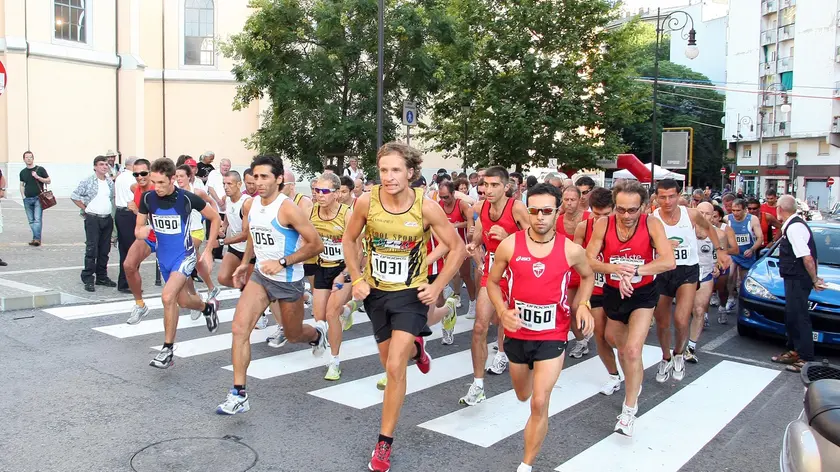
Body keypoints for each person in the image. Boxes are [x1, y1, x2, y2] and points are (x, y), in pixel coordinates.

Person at [342, 142, 466, 472]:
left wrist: (437, 285)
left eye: (396, 170)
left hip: (411, 294)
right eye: (383, 170)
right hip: (376, 293)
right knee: (391, 360)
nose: (389, 176)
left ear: (410, 172)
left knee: (394, 367)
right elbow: (348, 240)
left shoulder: (425, 207)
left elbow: (457, 248)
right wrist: (356, 279)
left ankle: (384, 443)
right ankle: (416, 348)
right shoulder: (367, 202)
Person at [488, 183, 594, 472]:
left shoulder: (572, 250)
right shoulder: (510, 244)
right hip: (517, 333)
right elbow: (492, 282)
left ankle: (526, 465)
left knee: (538, 401)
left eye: (547, 211)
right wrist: (502, 310)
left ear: (557, 211)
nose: (540, 217)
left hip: (552, 333)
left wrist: (582, 304)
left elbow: (588, 277)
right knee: (522, 394)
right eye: (534, 210)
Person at [216, 154, 326, 414]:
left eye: (265, 176)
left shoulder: (287, 208)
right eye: (255, 176)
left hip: (288, 281)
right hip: (261, 278)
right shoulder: (252, 204)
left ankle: (317, 334)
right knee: (239, 328)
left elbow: (316, 244)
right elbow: (255, 233)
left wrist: (284, 262)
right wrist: (246, 261)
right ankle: (239, 394)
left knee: (293, 334)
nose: (259, 182)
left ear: (278, 179)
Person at [585, 180, 675, 437]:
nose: (626, 216)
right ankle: (632, 379)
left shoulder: (652, 224)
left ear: (644, 207)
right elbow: (588, 259)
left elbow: (668, 261)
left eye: (632, 210)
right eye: (621, 210)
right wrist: (615, 269)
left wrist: (635, 271)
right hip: (614, 291)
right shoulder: (604, 224)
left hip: (643, 294)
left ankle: (628, 410)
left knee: (633, 350)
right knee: (615, 342)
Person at [139, 158, 221, 368]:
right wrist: (144, 231)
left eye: (161, 183)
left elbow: (215, 218)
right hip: (164, 258)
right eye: (154, 182)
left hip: (184, 256)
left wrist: (210, 249)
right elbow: (138, 229)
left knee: (167, 297)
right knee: (183, 301)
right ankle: (207, 308)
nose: (156, 187)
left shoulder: (187, 199)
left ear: (173, 179)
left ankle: (167, 350)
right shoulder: (148, 198)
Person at [651, 179, 730, 383]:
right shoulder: (652, 218)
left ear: (679, 196)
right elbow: (648, 242)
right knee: (661, 321)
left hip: (687, 270)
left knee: (680, 318)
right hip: (663, 270)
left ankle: (678, 353)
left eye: (671, 196)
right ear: (657, 197)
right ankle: (665, 357)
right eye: (662, 197)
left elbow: (711, 229)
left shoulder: (691, 214)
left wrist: (719, 251)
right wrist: (659, 245)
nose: (667, 201)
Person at [464, 166, 531, 401]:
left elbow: (537, 240)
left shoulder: (517, 208)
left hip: (517, 271)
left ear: (506, 187)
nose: (488, 190)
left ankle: (504, 352)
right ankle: (478, 384)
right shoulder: (481, 207)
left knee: (507, 320)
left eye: (494, 185)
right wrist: (474, 246)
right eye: (485, 185)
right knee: (480, 327)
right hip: (493, 270)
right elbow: (480, 234)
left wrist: (510, 239)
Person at [573, 187, 621, 395]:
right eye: (596, 214)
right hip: (597, 287)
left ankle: (631, 366)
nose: (601, 219)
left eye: (606, 214)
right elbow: (574, 254)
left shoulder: (625, 224)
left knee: (617, 337)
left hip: (622, 288)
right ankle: (613, 375)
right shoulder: (583, 227)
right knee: (600, 335)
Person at [309, 172, 356, 381]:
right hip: (322, 267)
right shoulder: (311, 213)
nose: (320, 195)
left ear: (336, 194)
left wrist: (345, 273)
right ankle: (347, 311)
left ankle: (334, 362)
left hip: (343, 269)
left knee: (330, 314)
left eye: (325, 191)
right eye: (317, 190)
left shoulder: (347, 214)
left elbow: (358, 249)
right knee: (319, 317)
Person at [771, 195, 826, 373]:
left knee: (799, 316)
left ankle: (806, 357)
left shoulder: (794, 228)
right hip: (794, 277)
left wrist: (814, 279)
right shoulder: (794, 225)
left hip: (797, 278)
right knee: (792, 315)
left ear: (780, 209)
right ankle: (795, 350)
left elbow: (807, 257)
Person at [686, 202, 738, 363]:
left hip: (705, 275)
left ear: (713, 216)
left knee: (700, 310)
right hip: (685, 275)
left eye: (707, 214)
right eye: (699, 212)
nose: (703, 216)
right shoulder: (686, 231)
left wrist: (718, 267)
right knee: (682, 314)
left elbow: (721, 257)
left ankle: (691, 347)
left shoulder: (719, 234)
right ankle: (678, 347)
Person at [70, 155, 117, 292]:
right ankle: (88, 277)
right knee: (92, 249)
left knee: (104, 249)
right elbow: (75, 196)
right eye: (101, 164)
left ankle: (102, 276)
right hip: (93, 218)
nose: (104, 166)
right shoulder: (88, 181)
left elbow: (111, 198)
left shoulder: (109, 182)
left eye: (106, 164)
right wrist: (85, 208)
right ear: (95, 166)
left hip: (106, 218)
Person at [175, 165, 221, 302]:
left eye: (181, 176)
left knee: (184, 260)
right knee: (197, 262)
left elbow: (212, 202)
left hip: (196, 231)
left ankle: (193, 294)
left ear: (189, 177)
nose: (179, 179)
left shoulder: (197, 192)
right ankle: (211, 288)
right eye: (177, 176)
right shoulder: (174, 193)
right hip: (181, 233)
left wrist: (215, 221)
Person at [558, 186, 592, 359]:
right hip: (567, 272)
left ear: (580, 200)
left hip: (585, 271)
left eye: (572, 200)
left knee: (575, 307)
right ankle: (581, 340)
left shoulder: (589, 218)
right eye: (566, 199)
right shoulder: (558, 220)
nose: (569, 203)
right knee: (567, 310)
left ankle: (583, 337)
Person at [124, 159, 158, 324]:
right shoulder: (136, 188)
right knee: (129, 266)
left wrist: (137, 210)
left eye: (143, 173)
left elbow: (159, 217)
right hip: (147, 237)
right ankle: (140, 305)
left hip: (165, 237)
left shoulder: (156, 189)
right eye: (136, 174)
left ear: (150, 172)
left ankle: (198, 301)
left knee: (182, 282)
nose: (139, 177)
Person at [438, 180, 476, 316]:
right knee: (448, 272)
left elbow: (470, 224)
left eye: (446, 197)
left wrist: (456, 225)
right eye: (441, 197)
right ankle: (455, 294)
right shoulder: (440, 205)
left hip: (462, 244)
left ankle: (473, 302)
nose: (444, 200)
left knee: (465, 275)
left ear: (453, 194)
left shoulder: (462, 205)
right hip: (447, 244)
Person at [723, 198, 764, 323]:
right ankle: (730, 298)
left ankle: (742, 302)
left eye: (738, 210)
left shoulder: (752, 219)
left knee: (742, 281)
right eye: (733, 210)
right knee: (729, 275)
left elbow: (760, 238)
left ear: (744, 210)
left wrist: (752, 249)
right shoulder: (727, 219)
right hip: (733, 253)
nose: (735, 213)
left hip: (746, 254)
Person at [217, 170, 254, 290]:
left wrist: (222, 242)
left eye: (229, 184)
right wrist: (224, 226)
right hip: (235, 247)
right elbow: (229, 213)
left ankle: (257, 295)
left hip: (250, 250)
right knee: (223, 278)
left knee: (251, 286)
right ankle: (252, 293)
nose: (226, 187)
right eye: (224, 184)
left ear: (239, 184)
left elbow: (244, 234)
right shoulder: (227, 199)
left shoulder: (247, 203)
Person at [114, 157, 138, 293]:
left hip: (121, 213)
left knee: (124, 249)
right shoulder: (131, 178)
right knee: (132, 250)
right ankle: (128, 281)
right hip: (129, 213)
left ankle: (124, 281)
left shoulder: (120, 176)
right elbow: (136, 192)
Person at [19, 151, 50, 246]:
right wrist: (23, 196)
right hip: (27, 199)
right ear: (24, 159)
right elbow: (22, 185)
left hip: (38, 198)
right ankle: (35, 237)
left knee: (37, 219)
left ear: (33, 158)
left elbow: (48, 180)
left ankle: (37, 239)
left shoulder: (40, 169)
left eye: (30, 157)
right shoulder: (23, 172)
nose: (28, 159)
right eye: (27, 157)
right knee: (31, 220)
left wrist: (38, 177)